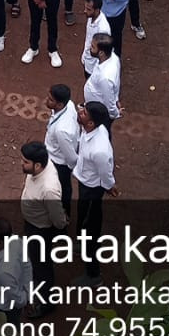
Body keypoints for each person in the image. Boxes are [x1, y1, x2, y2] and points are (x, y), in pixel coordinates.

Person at [19, 140, 67, 317]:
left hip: (40, 229)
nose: (21, 163)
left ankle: (47, 303)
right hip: (32, 223)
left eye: (25, 162)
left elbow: (58, 218)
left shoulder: (48, 189)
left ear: (37, 165)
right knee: (35, 260)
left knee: (42, 266)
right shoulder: (40, 169)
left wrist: (59, 226)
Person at [73, 101, 118, 285]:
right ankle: (82, 242)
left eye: (84, 113)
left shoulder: (99, 150)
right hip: (85, 183)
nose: (80, 112)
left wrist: (110, 185)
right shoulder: (91, 130)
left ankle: (93, 275)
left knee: (89, 227)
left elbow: (105, 172)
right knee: (84, 216)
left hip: (92, 189)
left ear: (91, 123)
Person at [44, 84, 80, 216]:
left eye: (50, 100)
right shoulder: (69, 104)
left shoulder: (61, 131)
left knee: (61, 189)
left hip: (59, 163)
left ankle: (64, 214)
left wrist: (70, 169)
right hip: (55, 155)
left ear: (59, 104)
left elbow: (70, 157)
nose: (46, 100)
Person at [83, 35, 121, 125]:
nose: (90, 48)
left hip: (98, 114)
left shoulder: (105, 78)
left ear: (101, 53)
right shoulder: (112, 57)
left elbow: (109, 103)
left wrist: (116, 113)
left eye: (93, 47)